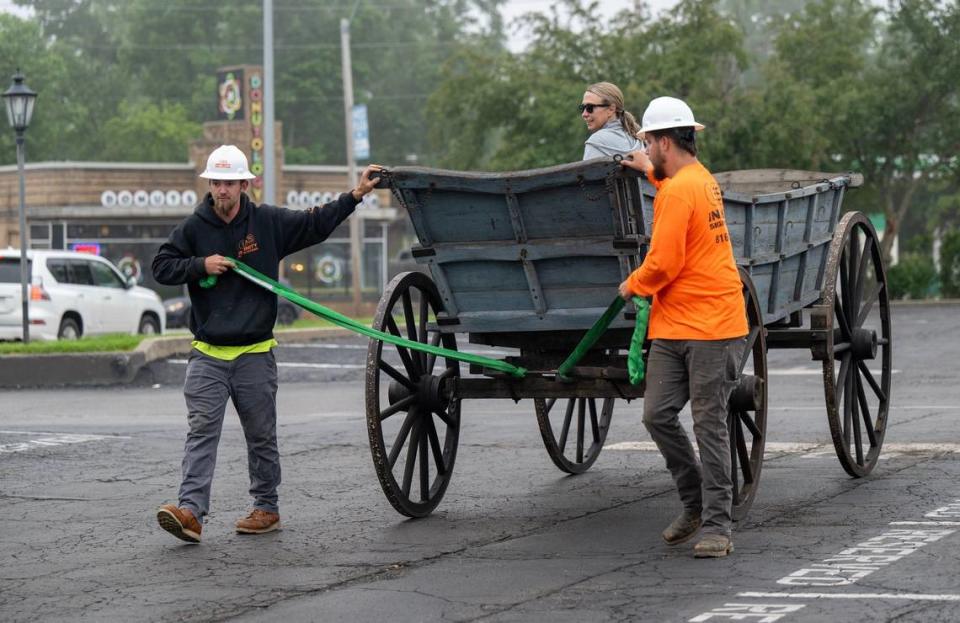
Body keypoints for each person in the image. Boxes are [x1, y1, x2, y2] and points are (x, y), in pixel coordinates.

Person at [152, 144, 382, 543]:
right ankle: (190, 512)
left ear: (245, 184)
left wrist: (355, 196)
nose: (222, 190)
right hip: (207, 352)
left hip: (255, 352)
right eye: (216, 183)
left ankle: (266, 507)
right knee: (202, 431)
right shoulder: (194, 228)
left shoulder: (267, 223)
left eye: (229, 183)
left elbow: (315, 223)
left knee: (260, 434)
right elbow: (161, 266)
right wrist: (198, 265)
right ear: (209, 184)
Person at [618, 97, 747, 558]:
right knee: (657, 414)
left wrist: (631, 285)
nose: (646, 148)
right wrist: (648, 170)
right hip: (674, 325)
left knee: (709, 424)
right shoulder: (698, 178)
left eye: (648, 142)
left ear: (664, 141)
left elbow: (664, 263)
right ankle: (694, 503)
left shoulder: (680, 190)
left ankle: (717, 527)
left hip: (711, 326)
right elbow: (674, 194)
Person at [580, 81, 642, 159]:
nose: (584, 114)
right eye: (582, 108)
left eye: (590, 108)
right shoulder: (638, 140)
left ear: (611, 109)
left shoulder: (596, 141)